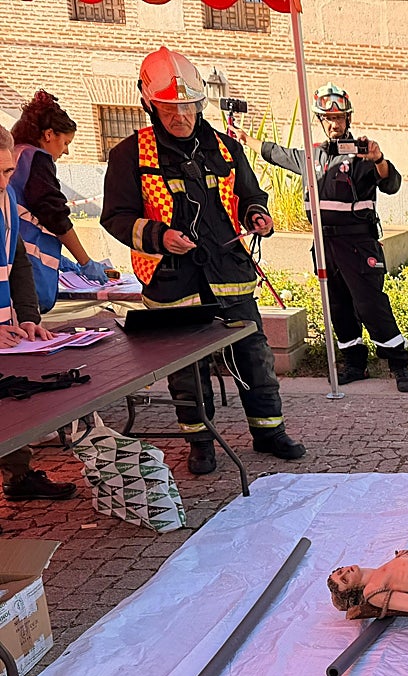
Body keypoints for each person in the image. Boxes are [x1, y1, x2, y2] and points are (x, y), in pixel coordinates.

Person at [101, 47, 305, 476]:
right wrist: (158, 236)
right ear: (149, 103)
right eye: (171, 109)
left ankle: (269, 432)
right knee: (186, 370)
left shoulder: (226, 148)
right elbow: (115, 217)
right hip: (170, 281)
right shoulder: (129, 155)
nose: (182, 117)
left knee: (254, 357)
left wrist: (257, 215)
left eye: (189, 107)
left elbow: (250, 194)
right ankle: (200, 442)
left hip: (228, 274)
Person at [237, 83, 408, 391]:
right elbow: (275, 153)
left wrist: (379, 159)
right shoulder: (312, 156)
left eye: (341, 118)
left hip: (358, 245)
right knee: (339, 307)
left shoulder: (363, 153)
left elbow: (392, 183)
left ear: (348, 119)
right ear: (320, 120)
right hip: (324, 245)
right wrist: (245, 139)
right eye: (329, 119)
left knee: (370, 306)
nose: (335, 124)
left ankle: (399, 365)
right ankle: (355, 364)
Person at [0, 124, 77, 502]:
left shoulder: (6, 200)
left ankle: (18, 474)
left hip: (6, 330)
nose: (5, 181)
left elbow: (18, 262)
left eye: (9, 171)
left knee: (9, 407)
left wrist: (28, 316)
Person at [9, 90, 108, 313]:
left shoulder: (15, 154)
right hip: (26, 275)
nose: (66, 151)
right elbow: (55, 216)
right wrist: (85, 261)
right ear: (49, 134)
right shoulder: (37, 160)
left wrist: (64, 262)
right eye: (65, 142)